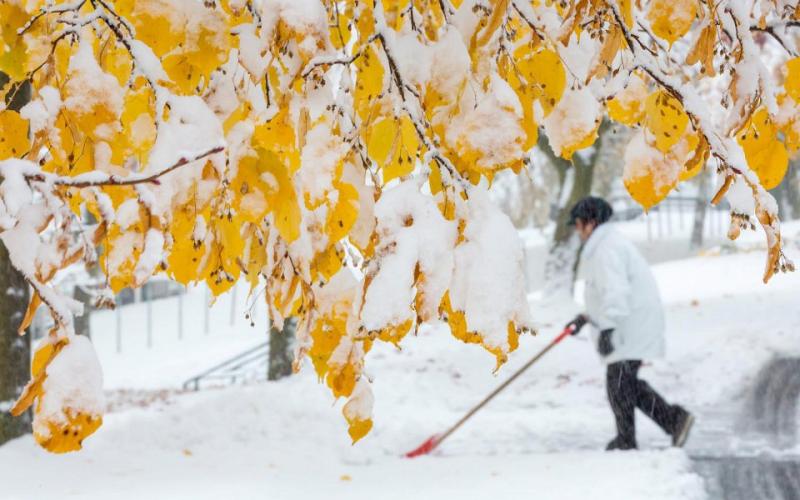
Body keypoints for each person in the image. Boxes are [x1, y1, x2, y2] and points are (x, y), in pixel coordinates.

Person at [564, 196, 694, 451]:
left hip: (628, 326)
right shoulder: (606, 246)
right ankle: (664, 424)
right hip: (630, 323)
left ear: (590, 223)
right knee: (624, 385)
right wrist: (586, 318)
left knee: (620, 385)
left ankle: (655, 428)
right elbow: (607, 293)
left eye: (578, 224)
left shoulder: (606, 249)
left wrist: (608, 329)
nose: (577, 231)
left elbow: (616, 291)